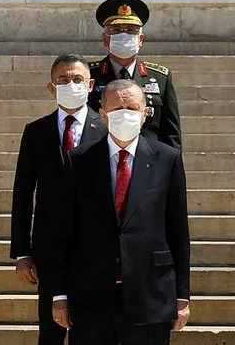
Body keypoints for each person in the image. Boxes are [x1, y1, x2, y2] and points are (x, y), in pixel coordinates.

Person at [48, 79, 190, 345]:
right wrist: (59, 295)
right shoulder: (78, 160)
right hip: (91, 295)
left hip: (150, 295)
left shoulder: (167, 158)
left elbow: (178, 232)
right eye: (117, 108)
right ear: (103, 115)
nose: (125, 114)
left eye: (132, 108)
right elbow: (62, 232)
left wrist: (182, 296)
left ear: (145, 114)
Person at [10, 53, 107, 345]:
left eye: (77, 79)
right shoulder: (36, 131)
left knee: (91, 331)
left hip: (95, 249)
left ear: (90, 85)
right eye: (63, 80)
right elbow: (23, 193)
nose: (71, 84)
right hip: (50, 248)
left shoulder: (106, 129)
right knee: (51, 329)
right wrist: (22, 252)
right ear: (52, 88)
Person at [87, 0, 182, 149]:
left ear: (140, 39)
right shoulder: (89, 75)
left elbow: (171, 134)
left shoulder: (160, 78)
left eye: (131, 30)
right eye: (116, 30)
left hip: (148, 159)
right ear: (105, 39)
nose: (124, 35)